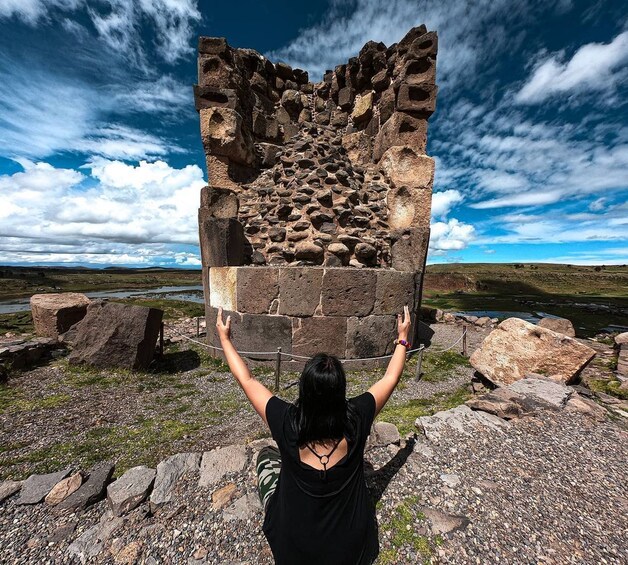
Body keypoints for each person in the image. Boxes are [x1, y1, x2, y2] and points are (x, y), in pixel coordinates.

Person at [215, 305, 412, 565]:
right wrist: (402, 337)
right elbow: (389, 378)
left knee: (266, 456)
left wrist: (224, 339)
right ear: (341, 389)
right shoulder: (357, 416)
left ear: (304, 390)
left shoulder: (286, 421)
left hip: (293, 549)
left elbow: (248, 380)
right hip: (350, 550)